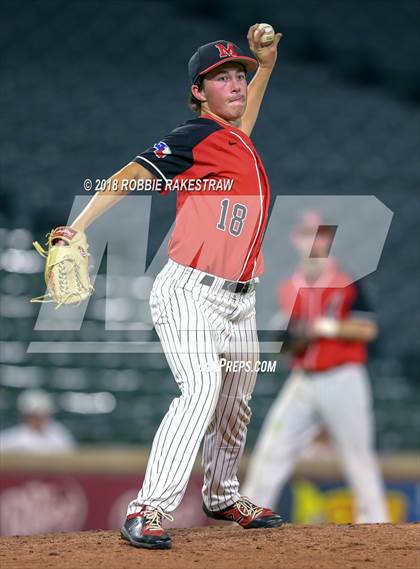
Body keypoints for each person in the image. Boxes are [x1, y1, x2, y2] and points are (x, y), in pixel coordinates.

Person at [62, 25, 284, 549]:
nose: (235, 85)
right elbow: (132, 172)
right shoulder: (195, 136)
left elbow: (246, 117)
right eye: (221, 78)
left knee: (235, 400)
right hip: (191, 293)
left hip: (241, 299)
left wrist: (267, 65)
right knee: (202, 389)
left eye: (239, 76)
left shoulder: (234, 139)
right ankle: (148, 508)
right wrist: (80, 226)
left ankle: (222, 494)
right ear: (197, 93)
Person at [242, 212, 390, 523]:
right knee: (272, 449)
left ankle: (376, 525)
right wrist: (290, 339)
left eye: (319, 233)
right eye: (306, 233)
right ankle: (249, 517)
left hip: (343, 377)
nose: (313, 240)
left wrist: (323, 327)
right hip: (304, 379)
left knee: (357, 457)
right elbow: (286, 344)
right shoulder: (287, 285)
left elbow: (367, 329)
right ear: (296, 239)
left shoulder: (348, 280)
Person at [0, 389, 76, 453]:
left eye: (42, 414)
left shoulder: (59, 434)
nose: (39, 419)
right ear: (26, 416)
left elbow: (71, 454)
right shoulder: (15, 436)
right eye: (35, 415)